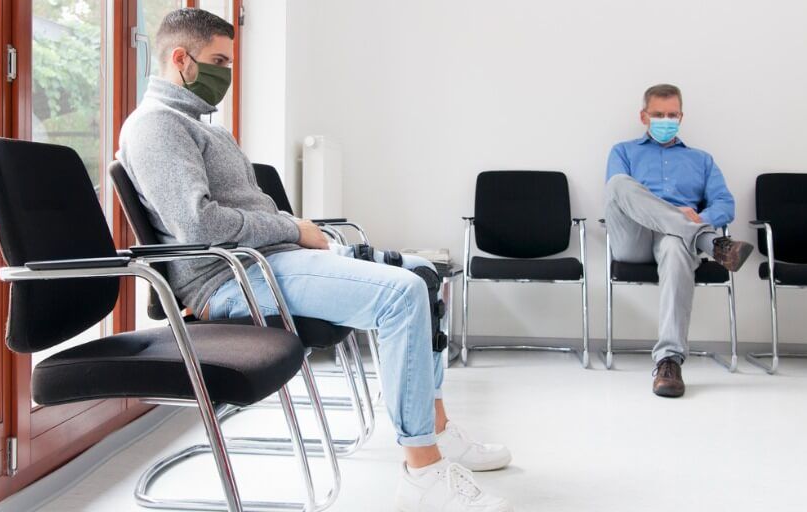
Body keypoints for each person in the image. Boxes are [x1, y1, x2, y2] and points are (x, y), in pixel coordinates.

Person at [117, 9, 513, 512]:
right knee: (402, 294)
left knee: (423, 275)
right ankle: (423, 469)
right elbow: (200, 225)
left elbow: (245, 212)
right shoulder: (155, 127)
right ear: (180, 59)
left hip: (273, 259)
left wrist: (302, 234)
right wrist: (292, 228)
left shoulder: (206, 128)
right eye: (218, 60)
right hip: (230, 280)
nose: (227, 74)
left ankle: (437, 426)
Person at [605, 84, 753, 399]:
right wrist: (682, 216)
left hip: (674, 242)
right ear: (644, 116)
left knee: (674, 243)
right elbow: (618, 196)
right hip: (633, 238)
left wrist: (699, 218)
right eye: (658, 114)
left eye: (672, 115)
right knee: (619, 183)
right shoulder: (624, 151)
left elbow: (725, 205)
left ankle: (669, 361)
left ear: (681, 116)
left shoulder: (701, 160)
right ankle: (713, 245)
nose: (665, 120)